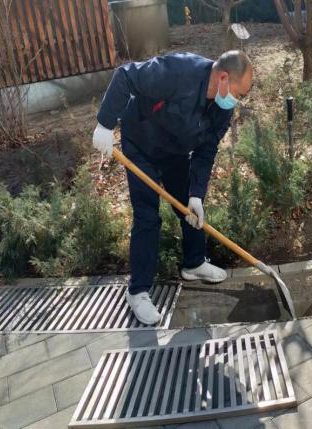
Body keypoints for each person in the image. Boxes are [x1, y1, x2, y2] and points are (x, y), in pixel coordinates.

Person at [91, 50, 253, 325]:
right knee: (147, 217)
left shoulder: (222, 109)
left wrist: (196, 194)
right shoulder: (179, 70)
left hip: (175, 151)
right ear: (223, 78)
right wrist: (105, 125)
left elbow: (206, 151)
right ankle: (138, 291)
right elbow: (126, 76)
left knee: (190, 209)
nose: (238, 101)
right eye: (239, 93)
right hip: (141, 146)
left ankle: (194, 263)